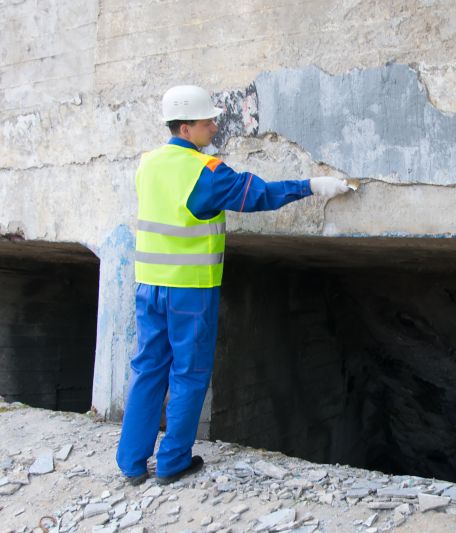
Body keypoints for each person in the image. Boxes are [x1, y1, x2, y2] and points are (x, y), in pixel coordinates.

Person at [116, 85, 350, 485]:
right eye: (207, 121)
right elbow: (257, 195)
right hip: (189, 289)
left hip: (148, 286)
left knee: (147, 369)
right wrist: (310, 186)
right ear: (186, 128)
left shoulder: (148, 163)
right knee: (189, 373)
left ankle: (132, 464)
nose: (214, 125)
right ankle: (172, 463)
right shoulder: (204, 172)